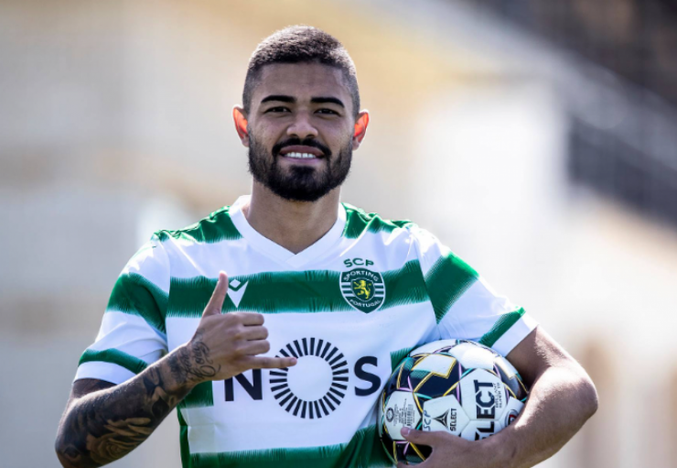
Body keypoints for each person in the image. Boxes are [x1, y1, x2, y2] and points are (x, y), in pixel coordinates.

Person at [55, 26, 597, 468]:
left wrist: (494, 455)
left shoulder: (411, 260)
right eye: (278, 108)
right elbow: (73, 446)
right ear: (243, 125)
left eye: (326, 111)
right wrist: (188, 366)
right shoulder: (169, 268)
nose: (302, 128)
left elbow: (570, 383)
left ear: (357, 129)